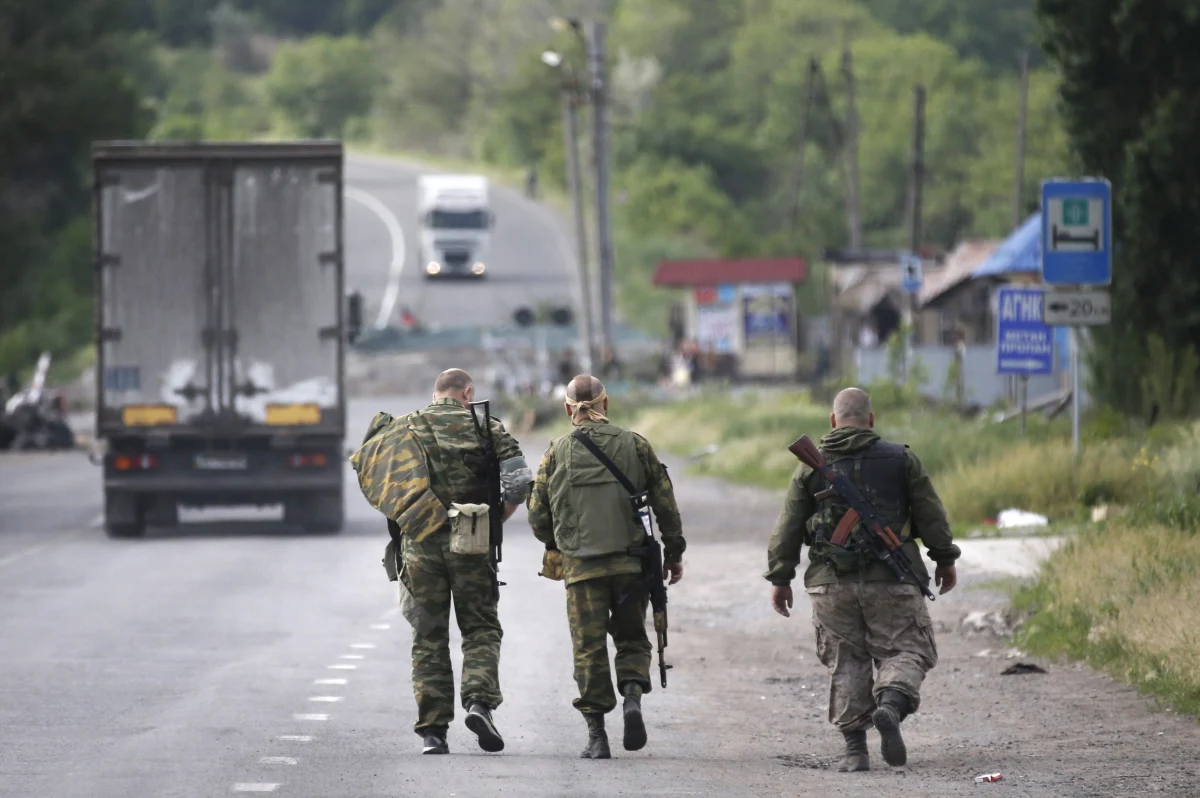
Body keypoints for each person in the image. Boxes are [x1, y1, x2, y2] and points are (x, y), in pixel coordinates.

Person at [765, 387, 960, 772]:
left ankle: (855, 750)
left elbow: (786, 527)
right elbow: (931, 515)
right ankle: (890, 703)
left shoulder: (809, 467)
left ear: (833, 421)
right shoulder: (901, 459)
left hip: (830, 583)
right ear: (871, 420)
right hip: (893, 578)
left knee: (846, 661)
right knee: (907, 649)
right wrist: (944, 558)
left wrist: (780, 577)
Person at [526, 374, 686, 759]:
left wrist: (558, 543)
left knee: (589, 649)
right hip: (632, 566)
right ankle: (632, 695)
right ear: (606, 404)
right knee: (631, 637)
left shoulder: (555, 452)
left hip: (582, 571)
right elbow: (665, 501)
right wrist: (674, 551)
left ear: (568, 410)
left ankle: (597, 736)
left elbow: (537, 516)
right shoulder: (635, 444)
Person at [384, 369, 532, 755]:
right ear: (467, 392)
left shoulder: (405, 427)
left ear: (436, 395)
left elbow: (377, 479)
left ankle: (433, 731)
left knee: (428, 635)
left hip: (419, 543)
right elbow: (519, 483)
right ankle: (479, 703)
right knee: (481, 628)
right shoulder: (487, 428)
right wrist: (494, 519)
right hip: (472, 541)